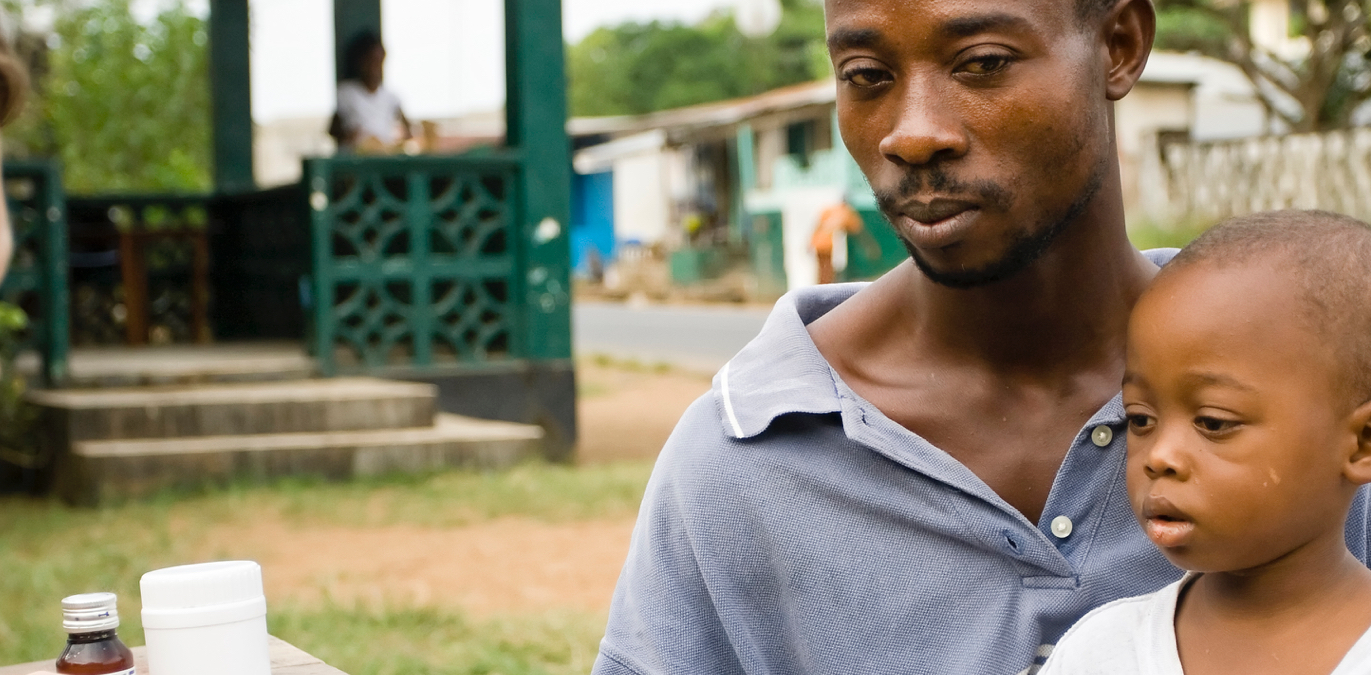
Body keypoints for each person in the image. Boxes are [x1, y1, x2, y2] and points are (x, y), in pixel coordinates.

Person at [591, 0, 1371, 671]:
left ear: (1119, 45)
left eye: (981, 62)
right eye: (866, 75)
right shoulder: (745, 461)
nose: (913, 134)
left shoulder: (1317, 384)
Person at [1040, 211, 1371, 675]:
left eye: (1214, 423)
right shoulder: (1100, 652)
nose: (1159, 457)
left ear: (1361, 444)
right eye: (1140, 419)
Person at [328, 31, 412, 153]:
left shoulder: (391, 97)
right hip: (354, 157)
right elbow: (333, 130)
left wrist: (396, 143)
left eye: (378, 61)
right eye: (370, 61)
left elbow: (408, 130)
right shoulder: (346, 93)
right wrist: (348, 137)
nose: (374, 67)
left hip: (383, 156)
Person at [809, 198, 863, 284]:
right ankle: (824, 288)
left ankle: (822, 286)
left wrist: (810, 243)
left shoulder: (828, 210)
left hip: (819, 243)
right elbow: (857, 229)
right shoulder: (845, 213)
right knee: (827, 270)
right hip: (827, 244)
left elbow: (817, 226)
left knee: (823, 270)